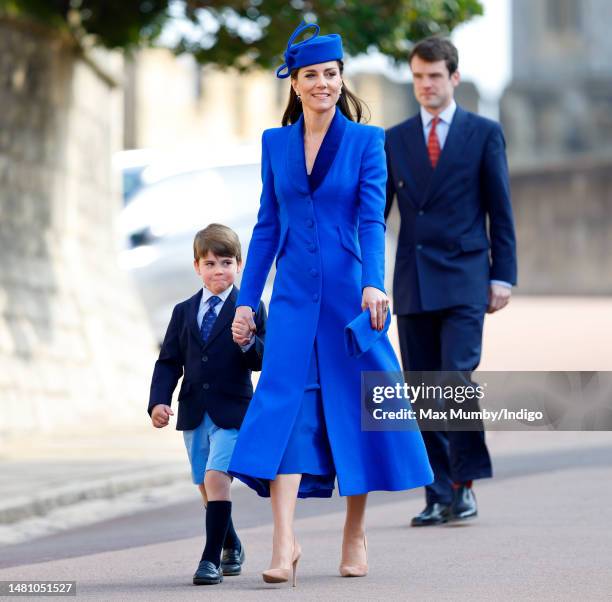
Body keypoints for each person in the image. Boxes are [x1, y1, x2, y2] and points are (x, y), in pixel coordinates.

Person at [229, 22, 433, 586]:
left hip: (352, 298)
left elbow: (372, 219)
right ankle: (283, 543)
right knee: (284, 410)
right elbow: (268, 226)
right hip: (293, 298)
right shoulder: (275, 143)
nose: (322, 83)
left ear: (342, 80)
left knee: (357, 409)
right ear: (294, 84)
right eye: (311, 75)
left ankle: (355, 531)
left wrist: (374, 281)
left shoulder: (368, 143)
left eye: (331, 74)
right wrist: (248, 301)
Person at [384, 36, 517, 527]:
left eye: (434, 76)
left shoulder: (483, 132)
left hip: (466, 277)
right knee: (421, 388)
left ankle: (464, 484)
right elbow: (377, 218)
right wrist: (366, 280)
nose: (426, 85)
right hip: (413, 280)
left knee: (454, 380)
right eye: (418, 76)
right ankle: (436, 492)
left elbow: (500, 210)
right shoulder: (394, 139)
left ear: (454, 78)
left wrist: (503, 274)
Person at [147, 224, 266, 585]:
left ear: (240, 264)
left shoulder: (250, 306)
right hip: (194, 411)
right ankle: (232, 545)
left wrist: (248, 343)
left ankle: (210, 560)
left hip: (232, 411)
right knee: (204, 484)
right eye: (210, 263)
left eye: (226, 262)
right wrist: (158, 402)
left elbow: (263, 358)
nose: (218, 271)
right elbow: (168, 361)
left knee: (217, 479)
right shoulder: (183, 312)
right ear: (197, 266)